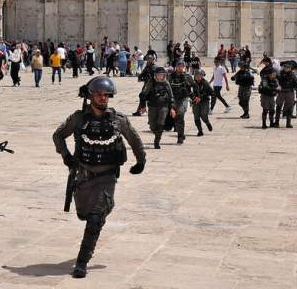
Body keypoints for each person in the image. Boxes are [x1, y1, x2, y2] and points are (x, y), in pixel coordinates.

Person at [53, 76, 146, 278]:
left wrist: (141, 161)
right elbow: (58, 135)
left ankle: (81, 262)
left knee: (95, 218)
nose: (103, 98)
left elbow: (135, 139)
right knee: (84, 214)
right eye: (99, 94)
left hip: (107, 176)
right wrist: (67, 157)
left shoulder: (118, 120)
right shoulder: (78, 119)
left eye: (106, 95)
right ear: (90, 96)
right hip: (84, 175)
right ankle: (104, 208)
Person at [143, 66, 174, 149]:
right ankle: (157, 134)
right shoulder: (151, 82)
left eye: (161, 75)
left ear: (164, 75)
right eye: (158, 75)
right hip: (152, 106)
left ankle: (157, 141)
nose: (160, 76)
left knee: (161, 124)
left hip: (163, 107)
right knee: (153, 126)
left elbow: (171, 96)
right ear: (155, 75)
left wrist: (172, 108)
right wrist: (142, 106)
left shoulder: (166, 83)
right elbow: (144, 94)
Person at [167, 61, 197, 145]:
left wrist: (196, 96)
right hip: (174, 99)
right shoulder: (171, 76)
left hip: (184, 98)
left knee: (180, 114)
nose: (180, 67)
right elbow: (167, 87)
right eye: (178, 66)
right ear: (176, 67)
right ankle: (181, 133)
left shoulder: (187, 76)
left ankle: (180, 137)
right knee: (177, 118)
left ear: (184, 67)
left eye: (182, 66)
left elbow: (194, 86)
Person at [275, 61, 297, 129]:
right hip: (281, 92)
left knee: (289, 108)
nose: (286, 69)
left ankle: (288, 123)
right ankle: (276, 122)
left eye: (287, 68)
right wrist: (277, 86)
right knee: (278, 107)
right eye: (285, 67)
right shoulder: (280, 74)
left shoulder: (293, 75)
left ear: (290, 68)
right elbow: (276, 80)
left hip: (290, 92)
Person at [192, 69, 214, 136]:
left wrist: (201, 97)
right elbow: (189, 92)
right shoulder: (192, 83)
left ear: (202, 76)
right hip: (195, 102)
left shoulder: (205, 83)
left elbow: (211, 92)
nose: (198, 77)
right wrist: (194, 98)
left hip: (204, 101)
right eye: (197, 75)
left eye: (200, 75)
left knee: (203, 115)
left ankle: (207, 123)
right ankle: (200, 130)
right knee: (196, 116)